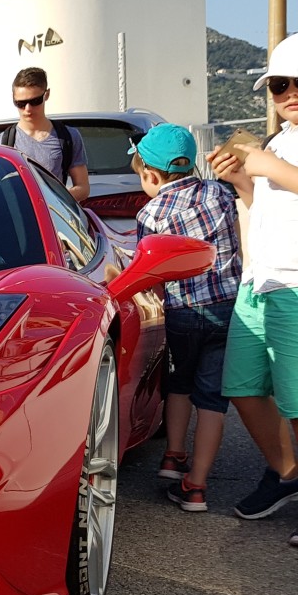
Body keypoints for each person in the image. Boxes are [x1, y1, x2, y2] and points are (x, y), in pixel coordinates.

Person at [207, 31, 298, 542]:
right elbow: (257, 214)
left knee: (297, 401)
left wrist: (267, 168)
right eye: (279, 85)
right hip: (259, 280)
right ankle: (287, 474)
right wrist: (244, 183)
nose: (289, 93)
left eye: (296, 83)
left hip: (294, 283)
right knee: (241, 386)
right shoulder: (277, 142)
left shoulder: (275, 154)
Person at [129, 124, 241, 511]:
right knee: (212, 397)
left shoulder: (151, 214)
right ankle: (196, 486)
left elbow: (151, 273)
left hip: (182, 314)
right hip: (227, 310)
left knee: (178, 383)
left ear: (152, 174)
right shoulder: (220, 194)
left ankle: (173, 456)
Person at [0, 67, 90, 202]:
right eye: (20, 103)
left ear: (46, 95)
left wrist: (51, 201)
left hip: (52, 219)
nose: (27, 109)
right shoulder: (1, 143)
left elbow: (82, 188)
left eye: (35, 101)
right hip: (17, 221)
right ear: (13, 98)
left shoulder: (68, 137)